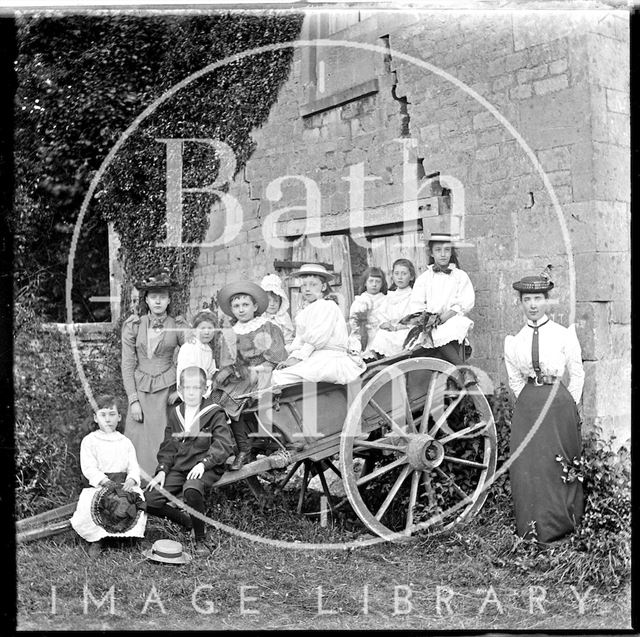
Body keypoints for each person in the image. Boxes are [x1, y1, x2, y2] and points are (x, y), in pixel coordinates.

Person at [504, 270, 585, 545]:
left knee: (557, 462)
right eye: (527, 299)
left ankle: (563, 526)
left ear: (547, 301)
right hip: (528, 405)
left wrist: (569, 405)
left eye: (538, 298)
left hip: (558, 402)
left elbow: (577, 372)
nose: (533, 304)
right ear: (521, 303)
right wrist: (528, 399)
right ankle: (533, 529)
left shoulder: (563, 335)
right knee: (530, 465)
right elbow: (515, 378)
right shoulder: (514, 342)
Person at [145, 366, 234, 556]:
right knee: (150, 499)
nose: (191, 393)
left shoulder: (213, 412)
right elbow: (169, 445)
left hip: (206, 466)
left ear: (205, 390)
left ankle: (200, 538)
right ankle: (187, 521)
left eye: (196, 388)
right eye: (187, 388)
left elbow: (223, 443)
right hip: (181, 466)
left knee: (192, 489)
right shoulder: (176, 413)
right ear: (180, 390)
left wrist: (205, 463)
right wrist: (162, 469)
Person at [212, 280, 287, 470]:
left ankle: (244, 450)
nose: (241, 310)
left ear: (255, 306)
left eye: (245, 305)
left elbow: (276, 354)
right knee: (215, 398)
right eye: (236, 306)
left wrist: (260, 368)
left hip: (261, 371)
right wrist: (225, 372)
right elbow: (228, 361)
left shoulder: (267, 326)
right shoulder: (231, 332)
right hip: (239, 374)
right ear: (231, 309)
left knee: (233, 399)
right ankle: (230, 445)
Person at [121, 268, 187, 481]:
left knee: (164, 440)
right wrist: (133, 401)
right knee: (136, 443)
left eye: (163, 297)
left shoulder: (177, 325)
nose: (158, 302)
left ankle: (165, 489)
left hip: (167, 393)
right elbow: (128, 364)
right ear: (146, 300)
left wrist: (182, 389)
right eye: (153, 297)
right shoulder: (134, 325)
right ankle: (136, 490)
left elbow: (192, 357)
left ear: (169, 300)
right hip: (140, 392)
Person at [70, 395, 147, 559]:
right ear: (95, 418)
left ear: (119, 417)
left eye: (112, 414)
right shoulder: (90, 440)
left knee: (136, 498)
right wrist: (104, 481)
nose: (107, 419)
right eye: (102, 414)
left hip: (123, 484)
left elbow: (133, 466)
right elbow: (89, 468)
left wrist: (131, 479)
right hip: (101, 485)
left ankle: (130, 538)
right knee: (97, 504)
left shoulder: (125, 442)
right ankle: (98, 540)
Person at [271, 263, 366, 386]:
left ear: (323, 286)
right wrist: (291, 357)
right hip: (313, 355)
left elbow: (317, 336)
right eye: (304, 285)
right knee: (278, 373)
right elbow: (300, 340)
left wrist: (298, 358)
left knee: (282, 377)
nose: (307, 289)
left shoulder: (327, 305)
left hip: (329, 357)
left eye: (313, 284)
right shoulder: (305, 311)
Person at [407, 233, 476, 386]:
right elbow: (417, 304)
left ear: (452, 252)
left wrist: (447, 315)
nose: (443, 254)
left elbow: (466, 300)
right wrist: (428, 319)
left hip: (452, 318)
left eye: (447, 250)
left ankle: (458, 373)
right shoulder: (424, 279)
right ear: (431, 253)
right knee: (434, 332)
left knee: (455, 326)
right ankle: (463, 370)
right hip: (431, 322)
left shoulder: (460, 276)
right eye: (438, 250)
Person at [368, 258, 416, 359]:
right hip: (390, 330)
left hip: (404, 330)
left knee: (391, 337)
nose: (400, 277)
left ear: (411, 277)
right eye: (397, 273)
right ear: (392, 276)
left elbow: (415, 318)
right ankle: (381, 363)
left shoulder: (413, 296)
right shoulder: (390, 296)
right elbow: (381, 314)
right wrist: (385, 324)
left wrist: (398, 327)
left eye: (404, 274)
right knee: (377, 334)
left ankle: (394, 361)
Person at [347, 266, 388, 360]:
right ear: (365, 283)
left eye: (378, 281)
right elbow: (354, 321)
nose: (374, 284)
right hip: (363, 331)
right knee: (356, 343)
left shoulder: (386, 300)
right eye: (371, 281)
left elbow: (388, 316)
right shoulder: (360, 300)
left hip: (380, 331)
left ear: (382, 284)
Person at [176, 309, 219, 396]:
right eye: (202, 328)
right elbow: (189, 375)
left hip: (204, 388)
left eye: (210, 328)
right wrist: (208, 378)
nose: (206, 332)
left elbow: (211, 370)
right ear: (194, 331)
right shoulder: (190, 347)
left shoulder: (208, 349)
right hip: (191, 390)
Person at [261, 273, 295, 346]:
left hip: (281, 347)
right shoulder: (260, 317)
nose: (272, 304)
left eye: (276, 301)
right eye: (268, 301)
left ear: (281, 302)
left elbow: (288, 336)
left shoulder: (283, 316)